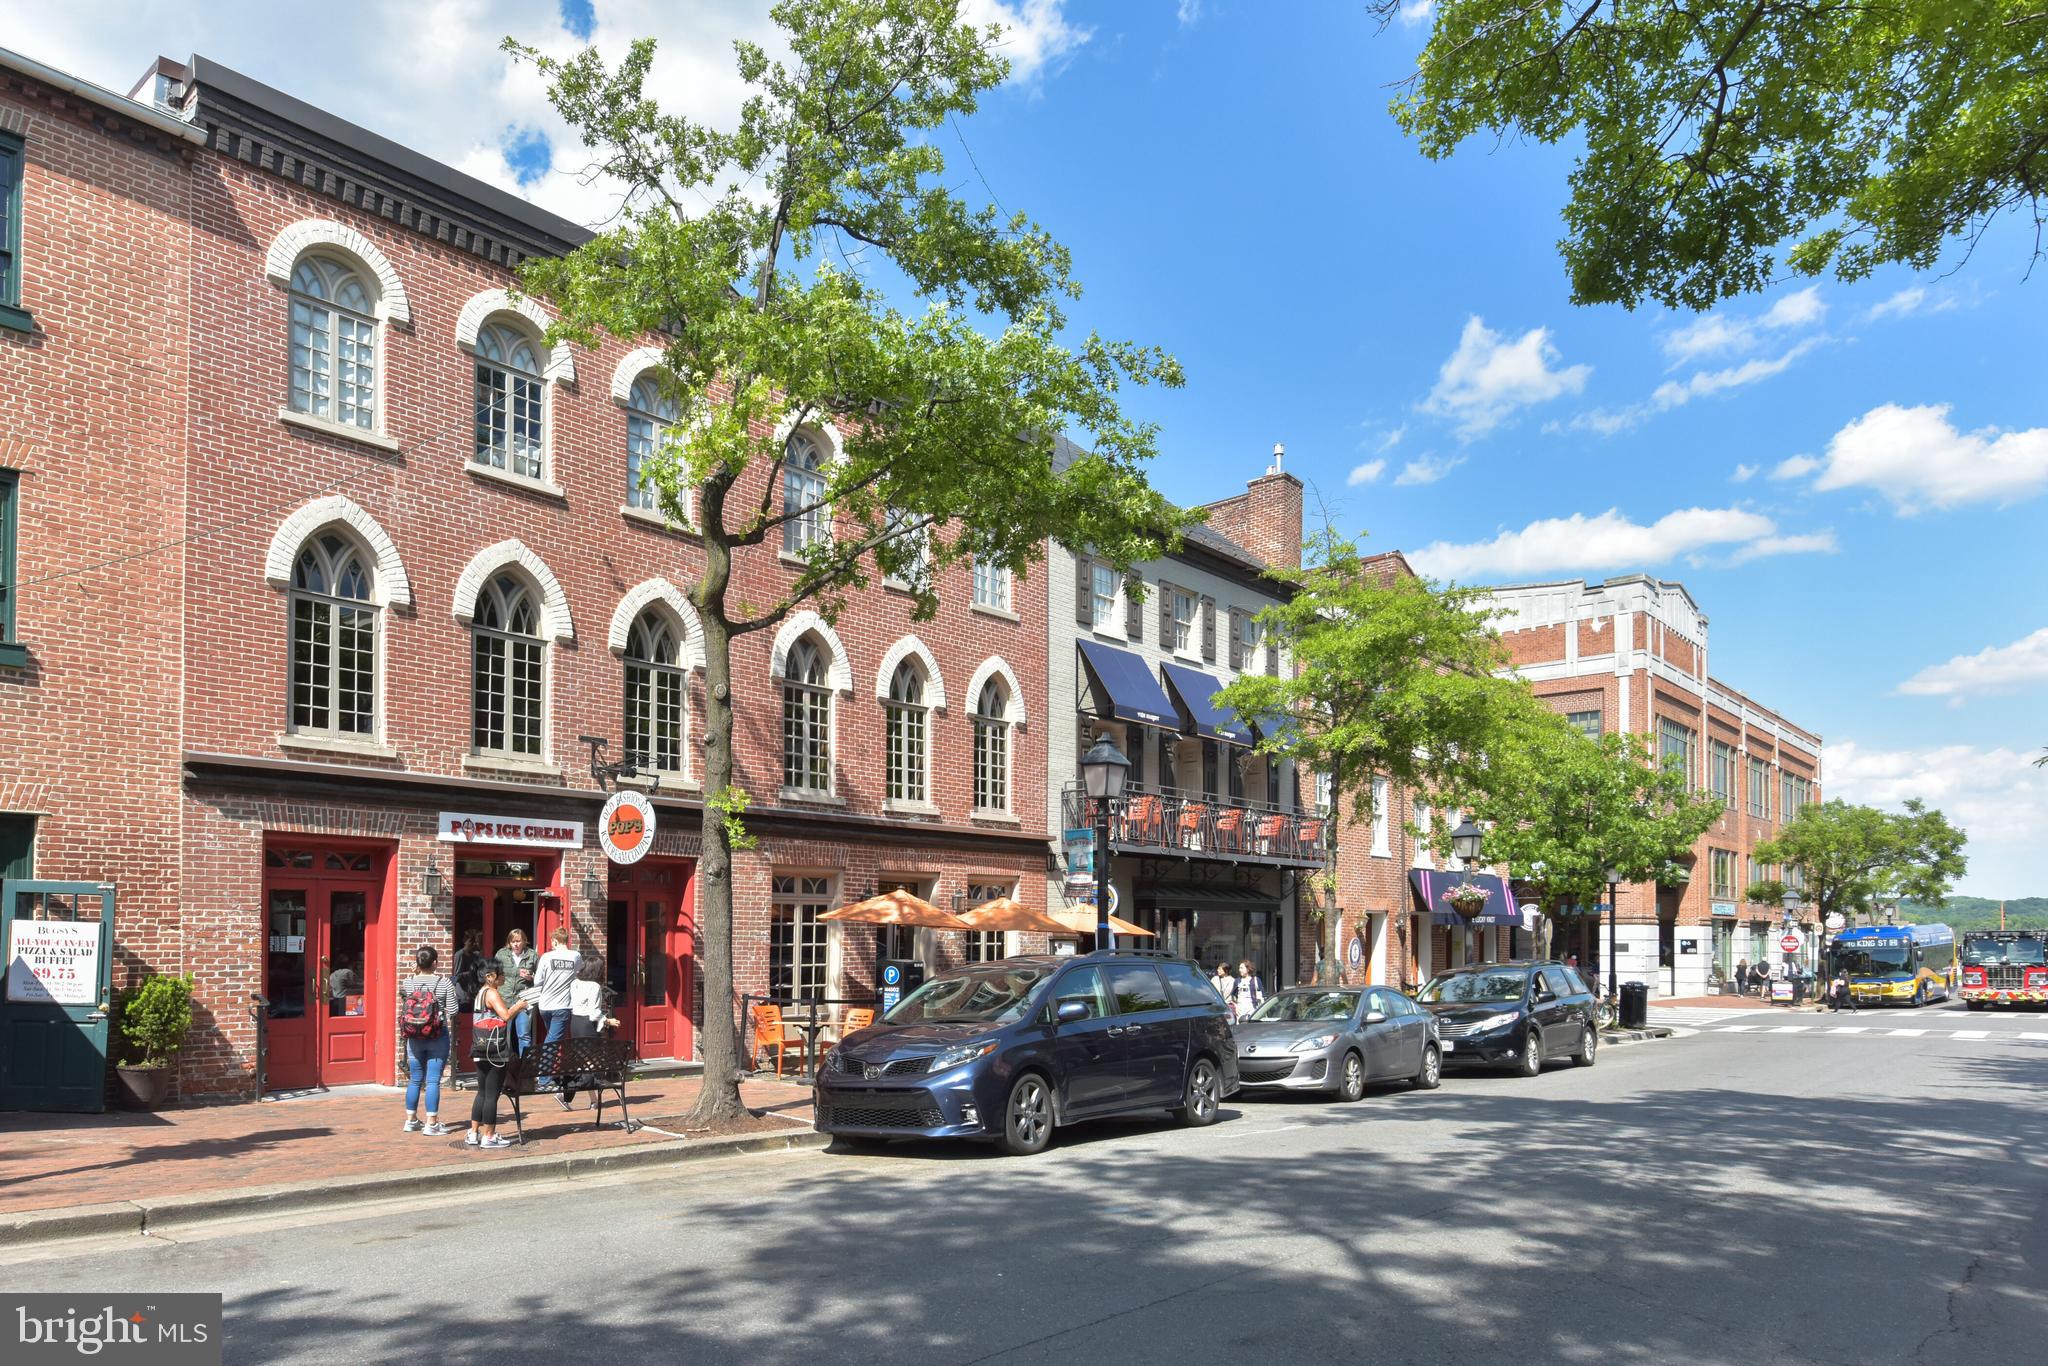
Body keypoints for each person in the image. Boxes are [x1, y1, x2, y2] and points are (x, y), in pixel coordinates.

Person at [466, 959, 531, 1149]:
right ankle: (489, 1136)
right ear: (490, 977)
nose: (503, 976)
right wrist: (519, 1005)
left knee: (482, 1092)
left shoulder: (480, 993)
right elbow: (506, 1015)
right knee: (492, 1095)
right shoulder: (492, 993)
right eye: (500, 974)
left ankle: (473, 1133)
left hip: (480, 1046)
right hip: (495, 1050)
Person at [398, 944, 459, 1135]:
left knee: (415, 1079)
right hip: (437, 1035)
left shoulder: (408, 982)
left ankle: (411, 1120)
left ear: (417, 962)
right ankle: (431, 1123)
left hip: (414, 1036)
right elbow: (453, 1010)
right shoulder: (444, 983)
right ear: (435, 963)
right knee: (432, 1080)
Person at [559, 952, 622, 1111]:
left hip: (575, 1022)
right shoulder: (594, 986)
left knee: (584, 1064)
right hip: (587, 1025)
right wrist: (609, 1021)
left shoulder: (575, 982)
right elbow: (594, 1013)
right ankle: (567, 1094)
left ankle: (590, 1100)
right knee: (589, 1065)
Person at [531, 926, 581, 1088]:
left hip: (545, 1005)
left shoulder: (546, 957)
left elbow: (537, 982)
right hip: (562, 1005)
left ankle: (550, 1076)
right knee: (553, 1040)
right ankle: (544, 1079)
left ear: (554, 941)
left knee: (553, 1039)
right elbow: (578, 973)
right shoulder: (575, 956)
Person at [495, 927, 539, 1057]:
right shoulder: (501, 954)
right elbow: (493, 973)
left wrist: (531, 977)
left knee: (524, 1034)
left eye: (518, 941)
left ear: (524, 941)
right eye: (513, 941)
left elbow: (541, 978)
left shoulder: (532, 955)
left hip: (523, 1001)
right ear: (509, 942)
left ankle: (524, 1065)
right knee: (503, 1035)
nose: (516, 944)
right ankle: (504, 1065)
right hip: (504, 1000)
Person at [453, 928, 487, 1010]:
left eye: (475, 941)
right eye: (471, 941)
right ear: (465, 941)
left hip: (473, 994)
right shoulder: (459, 955)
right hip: (463, 995)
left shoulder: (475, 955)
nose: (474, 944)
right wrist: (473, 972)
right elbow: (457, 976)